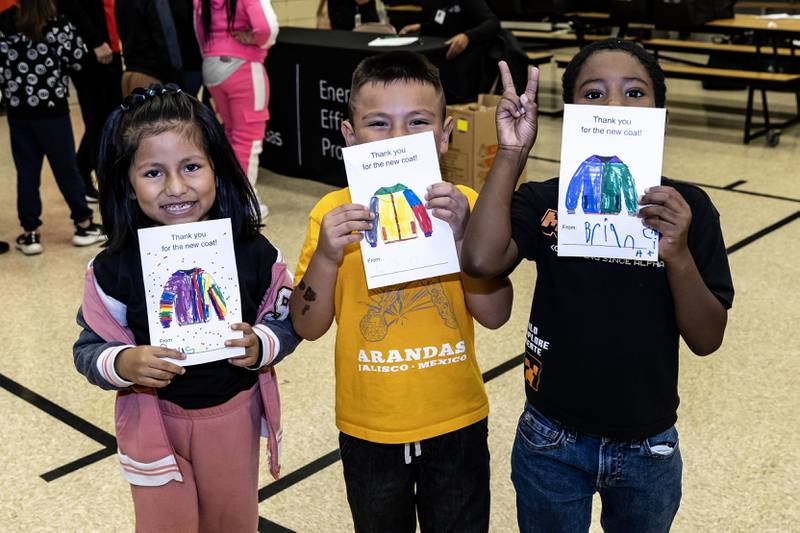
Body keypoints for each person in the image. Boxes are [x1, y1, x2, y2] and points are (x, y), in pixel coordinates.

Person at [461, 39, 735, 532]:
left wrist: (676, 253)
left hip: (648, 444)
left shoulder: (688, 209)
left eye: (634, 93)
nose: (614, 105)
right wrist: (510, 153)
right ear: (571, 114)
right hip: (549, 436)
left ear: (661, 116)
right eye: (593, 94)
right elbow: (480, 260)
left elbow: (707, 337)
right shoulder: (545, 199)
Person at [289, 51, 516, 532]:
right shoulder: (332, 215)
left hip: (456, 419)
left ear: (445, 134)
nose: (397, 138)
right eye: (378, 123)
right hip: (369, 425)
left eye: (417, 122)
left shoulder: (467, 206)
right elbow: (306, 325)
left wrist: (461, 237)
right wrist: (328, 256)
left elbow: (496, 315)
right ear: (349, 136)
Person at [72, 84, 299, 531]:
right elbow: (87, 348)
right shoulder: (113, 266)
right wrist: (124, 361)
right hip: (154, 422)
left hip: (232, 415)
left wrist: (262, 344)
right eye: (153, 173)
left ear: (217, 167)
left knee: (232, 520)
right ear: (127, 183)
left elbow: (286, 317)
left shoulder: (251, 250)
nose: (177, 188)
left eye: (191, 167)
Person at [0, 0, 106, 255]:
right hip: (53, 111)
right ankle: (83, 224)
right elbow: (79, 59)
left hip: (18, 113)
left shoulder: (4, 24)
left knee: (27, 173)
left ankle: (30, 233)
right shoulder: (57, 24)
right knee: (66, 168)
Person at [194, 0, 278, 219]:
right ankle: (244, 203)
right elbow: (268, 28)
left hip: (212, 67)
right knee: (248, 140)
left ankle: (228, 198)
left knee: (231, 135)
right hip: (243, 66)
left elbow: (199, 30)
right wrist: (255, 40)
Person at [57, 0, 123, 203]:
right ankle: (105, 186)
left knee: (111, 117)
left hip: (110, 47)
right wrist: (95, 40)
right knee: (98, 119)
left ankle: (83, 171)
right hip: (91, 51)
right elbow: (70, 6)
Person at [399, 0, 501, 104]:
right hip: (444, 59)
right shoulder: (438, 3)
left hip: (468, 64)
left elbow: (493, 23)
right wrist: (421, 27)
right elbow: (441, 23)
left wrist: (467, 37)